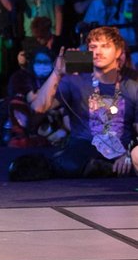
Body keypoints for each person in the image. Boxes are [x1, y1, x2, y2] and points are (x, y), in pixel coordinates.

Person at [22, 26, 137, 178]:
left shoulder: (132, 84)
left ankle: (109, 167)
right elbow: (38, 107)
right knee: (71, 162)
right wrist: (57, 73)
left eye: (105, 46)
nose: (98, 52)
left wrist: (129, 155)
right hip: (84, 148)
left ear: (118, 52)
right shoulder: (74, 79)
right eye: (93, 47)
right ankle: (100, 168)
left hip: (121, 149)